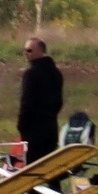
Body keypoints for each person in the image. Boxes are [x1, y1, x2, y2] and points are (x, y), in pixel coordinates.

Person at [16, 34, 65, 166]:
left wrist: (22, 125)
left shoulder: (31, 74)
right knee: (49, 167)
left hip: (33, 129)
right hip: (51, 127)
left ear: (41, 51)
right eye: (25, 50)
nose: (26, 53)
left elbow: (26, 102)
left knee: (33, 168)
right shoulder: (56, 72)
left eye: (29, 50)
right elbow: (59, 102)